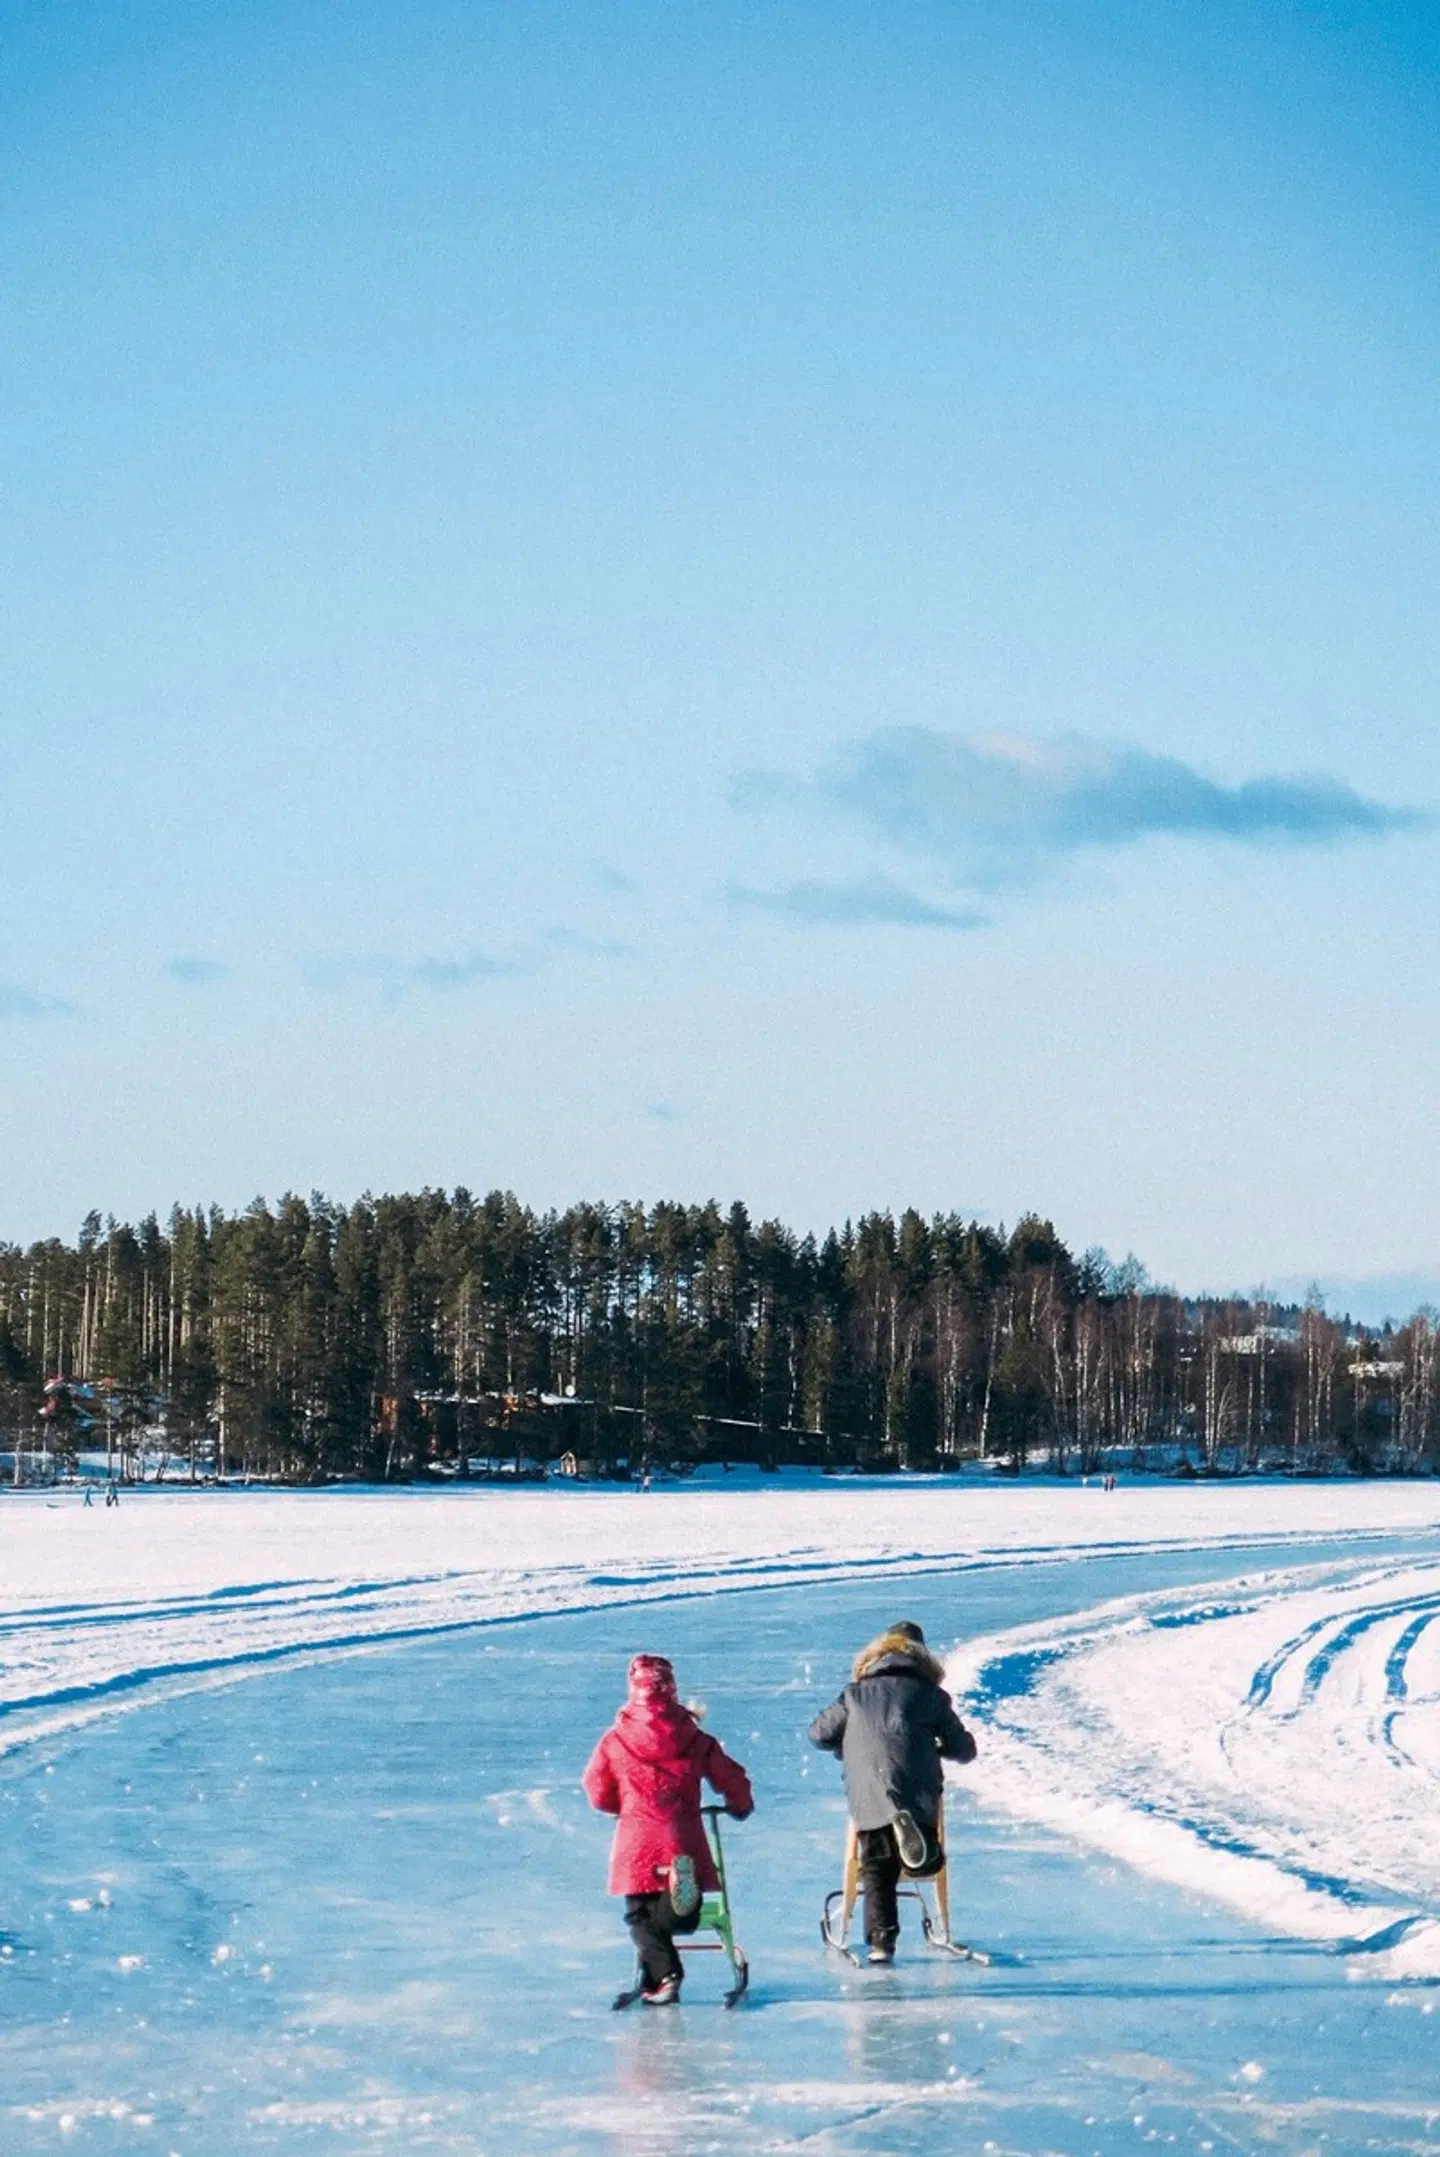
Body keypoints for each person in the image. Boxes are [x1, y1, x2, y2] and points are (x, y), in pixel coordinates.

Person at [583, 1653, 753, 2005]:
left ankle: (665, 1974)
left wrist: (619, 1806)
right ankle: (682, 1902)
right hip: (683, 1836)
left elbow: (595, 1787)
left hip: (637, 1838)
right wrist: (740, 1805)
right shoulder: (694, 1737)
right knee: (675, 1911)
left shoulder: (616, 1740)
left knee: (638, 1916)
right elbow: (731, 1776)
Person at [809, 1620, 977, 1964]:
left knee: (875, 1865)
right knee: (924, 1854)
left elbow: (819, 1734)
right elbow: (965, 1749)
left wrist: (851, 1742)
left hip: (867, 1789)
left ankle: (880, 1944)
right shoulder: (929, 1695)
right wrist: (933, 1745)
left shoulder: (854, 1694)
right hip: (916, 1790)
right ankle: (919, 1850)